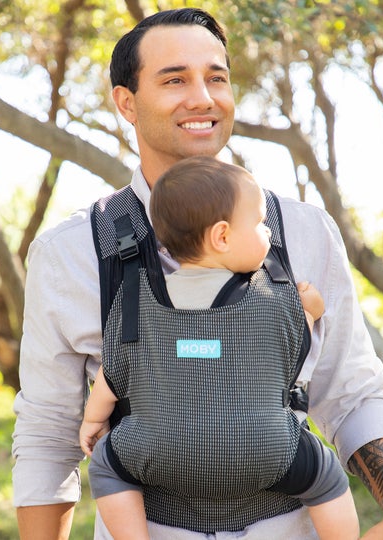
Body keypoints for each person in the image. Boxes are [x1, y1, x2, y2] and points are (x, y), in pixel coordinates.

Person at [12, 7, 383, 540]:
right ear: (126, 102)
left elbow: (351, 388)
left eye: (217, 77)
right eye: (175, 79)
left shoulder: (302, 231)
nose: (202, 97)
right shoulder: (71, 252)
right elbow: (49, 431)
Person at [79, 155, 359, 540]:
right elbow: (300, 338)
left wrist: (93, 421)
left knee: (106, 468)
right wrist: (310, 306)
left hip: (159, 451)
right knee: (325, 476)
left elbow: (113, 377)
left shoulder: (135, 303)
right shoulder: (280, 300)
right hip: (267, 450)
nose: (266, 232)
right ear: (223, 236)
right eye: (260, 223)